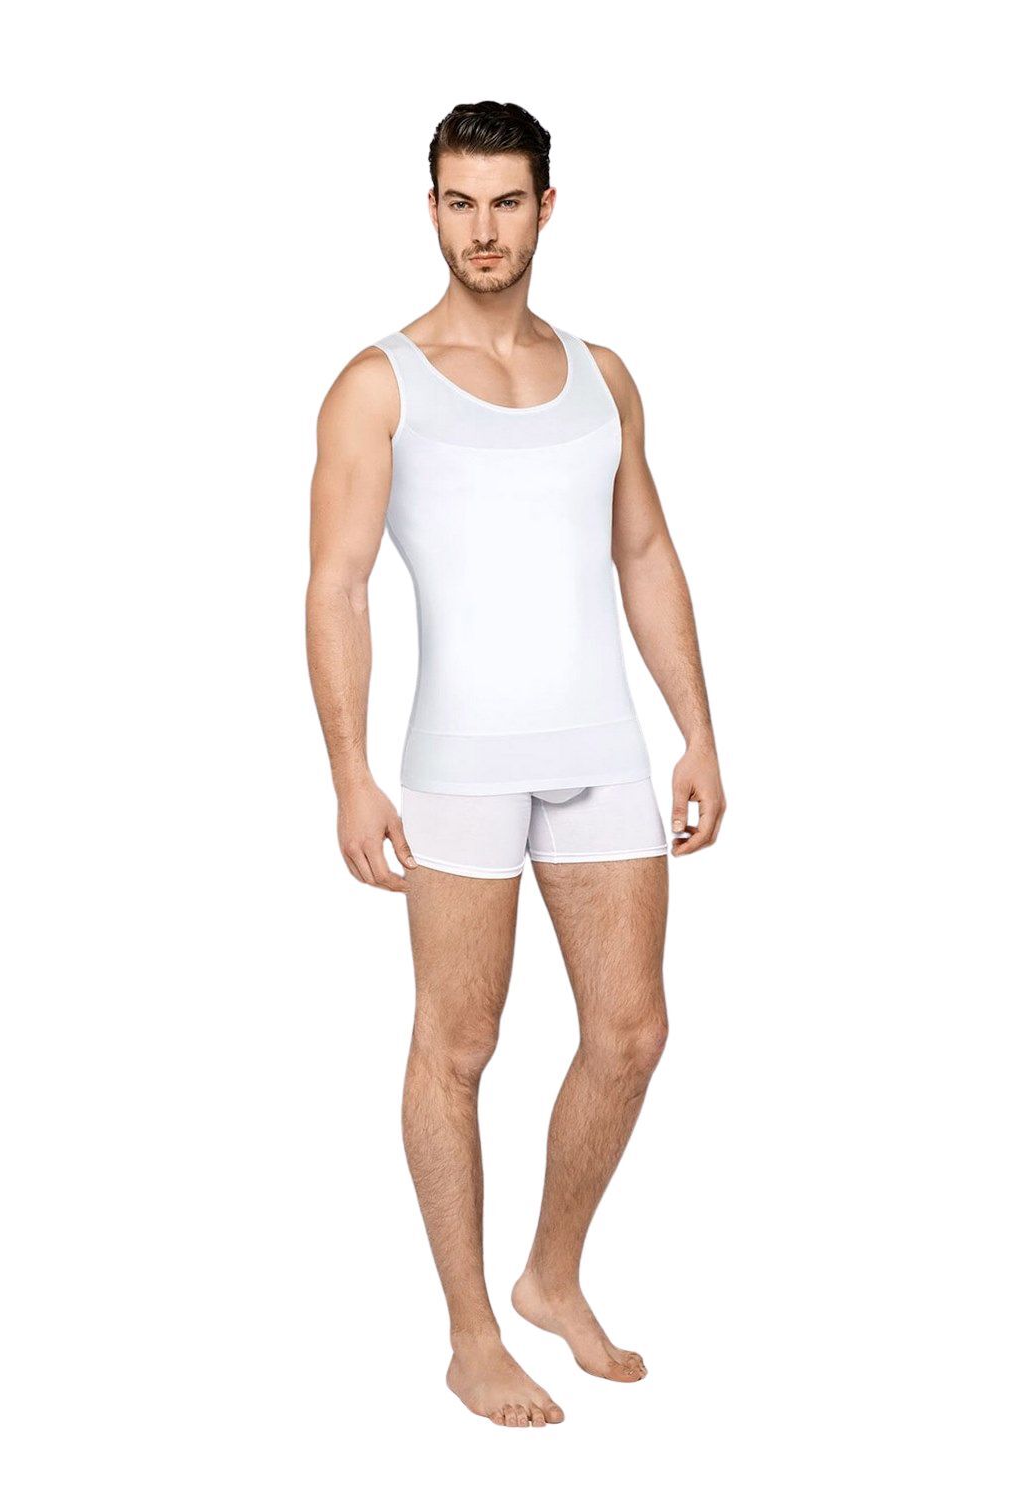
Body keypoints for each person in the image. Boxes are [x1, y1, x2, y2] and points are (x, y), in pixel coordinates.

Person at [305, 100, 725, 1428]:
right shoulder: (379, 382)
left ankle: (550, 1274)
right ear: (430, 208)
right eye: (457, 202)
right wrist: (350, 773)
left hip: (600, 742)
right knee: (458, 1042)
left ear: (546, 207)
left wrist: (698, 730)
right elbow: (337, 585)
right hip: (459, 760)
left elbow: (643, 550)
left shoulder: (604, 374)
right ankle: (472, 1332)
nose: (479, 229)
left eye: (503, 201)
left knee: (632, 1031)